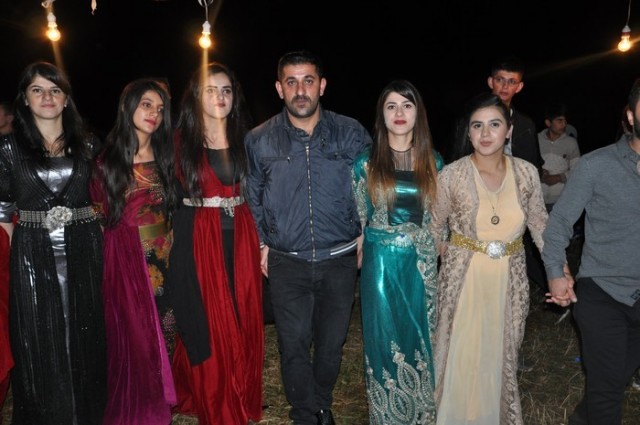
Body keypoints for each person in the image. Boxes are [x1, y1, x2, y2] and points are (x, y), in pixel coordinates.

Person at [244, 50, 372, 425]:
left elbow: (372, 188)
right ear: (279, 88)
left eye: (308, 81)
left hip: (340, 258)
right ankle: (306, 414)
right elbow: (252, 196)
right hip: (287, 261)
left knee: (331, 346)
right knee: (293, 345)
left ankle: (321, 404)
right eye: (292, 82)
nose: (301, 90)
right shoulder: (259, 140)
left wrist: (366, 232)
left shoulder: (351, 133)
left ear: (322, 85)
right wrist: (261, 244)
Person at [429, 92, 548, 425]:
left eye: (494, 125)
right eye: (477, 126)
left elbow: (541, 226)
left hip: (508, 283)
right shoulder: (452, 175)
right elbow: (434, 227)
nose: (485, 133)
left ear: (508, 131)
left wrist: (559, 272)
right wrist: (445, 253)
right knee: (460, 356)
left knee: (497, 356)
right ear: (468, 133)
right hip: (463, 283)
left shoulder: (526, 173)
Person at [0, 61, 106, 424]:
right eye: (37, 90)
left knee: (86, 335)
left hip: (84, 249)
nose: (47, 97)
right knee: (37, 340)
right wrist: (12, 265)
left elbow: (103, 197)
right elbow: (3, 212)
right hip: (31, 254)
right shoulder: (8, 148)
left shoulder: (89, 144)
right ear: (25, 99)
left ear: (66, 99)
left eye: (55, 90)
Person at [168, 62, 264, 424]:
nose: (220, 97)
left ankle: (240, 389)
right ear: (196, 96)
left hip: (241, 236)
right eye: (211, 90)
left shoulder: (248, 140)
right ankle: (217, 401)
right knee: (209, 322)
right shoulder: (178, 143)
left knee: (241, 314)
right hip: (199, 239)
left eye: (226, 90)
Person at [543, 78, 640, 424]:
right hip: (603, 292)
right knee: (607, 391)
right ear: (631, 116)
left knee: (612, 380)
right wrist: (556, 272)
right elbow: (559, 223)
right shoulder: (596, 165)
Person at [352, 80, 442, 424]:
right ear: (382, 115)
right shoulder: (365, 163)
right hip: (380, 265)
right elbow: (360, 218)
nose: (399, 113)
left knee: (422, 337)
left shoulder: (434, 162)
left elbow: (439, 219)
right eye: (391, 106)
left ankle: (423, 415)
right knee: (384, 337)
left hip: (421, 266)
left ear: (418, 113)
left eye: (407, 105)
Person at [90, 78, 178, 425]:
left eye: (160, 108)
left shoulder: (167, 156)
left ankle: (161, 397)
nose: (154, 113)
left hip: (167, 256)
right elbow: (101, 221)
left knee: (167, 328)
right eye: (146, 105)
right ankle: (144, 409)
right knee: (137, 338)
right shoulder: (106, 162)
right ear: (128, 107)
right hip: (128, 262)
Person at [538, 102, 580, 211]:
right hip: (537, 199)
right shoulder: (536, 140)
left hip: (561, 200)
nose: (564, 124)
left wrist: (559, 177)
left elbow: (577, 169)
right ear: (548, 122)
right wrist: (538, 171)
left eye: (565, 121)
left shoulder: (571, 143)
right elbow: (527, 164)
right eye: (559, 121)